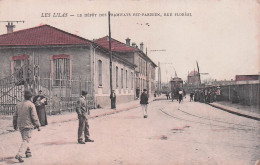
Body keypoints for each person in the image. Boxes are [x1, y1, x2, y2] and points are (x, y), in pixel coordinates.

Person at [13, 90, 41, 163]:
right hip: (28, 125)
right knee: (26, 140)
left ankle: (28, 152)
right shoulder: (31, 105)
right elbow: (34, 116)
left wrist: (15, 125)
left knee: (24, 139)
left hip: (20, 125)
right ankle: (19, 154)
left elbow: (15, 116)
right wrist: (38, 125)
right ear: (30, 97)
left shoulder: (18, 104)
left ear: (24, 97)